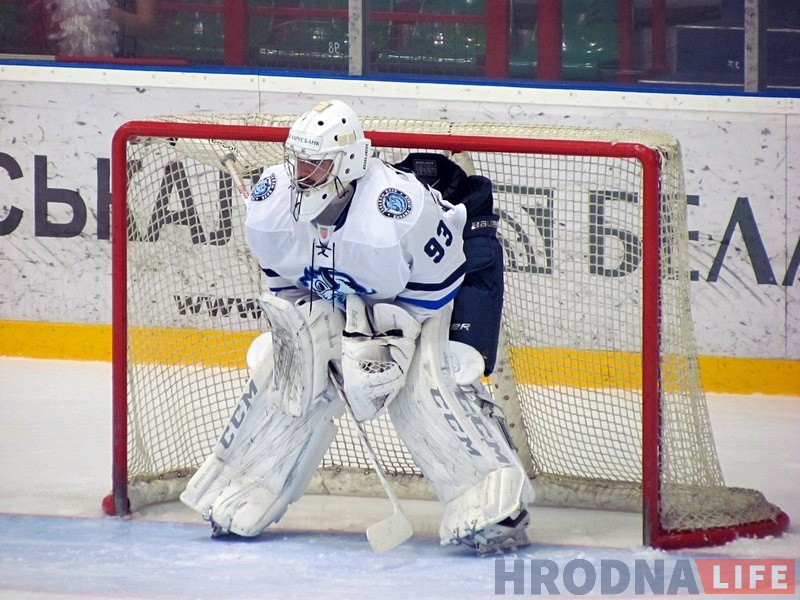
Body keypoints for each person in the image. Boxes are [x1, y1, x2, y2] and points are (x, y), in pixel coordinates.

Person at [180, 99, 534, 554]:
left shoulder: (395, 211)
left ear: (346, 164)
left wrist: (386, 344)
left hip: (441, 282)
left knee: (432, 379)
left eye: (315, 164)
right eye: (298, 162)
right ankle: (243, 483)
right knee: (290, 368)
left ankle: (499, 510)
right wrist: (317, 342)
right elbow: (287, 289)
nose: (300, 174)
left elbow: (437, 288)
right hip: (348, 293)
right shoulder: (272, 204)